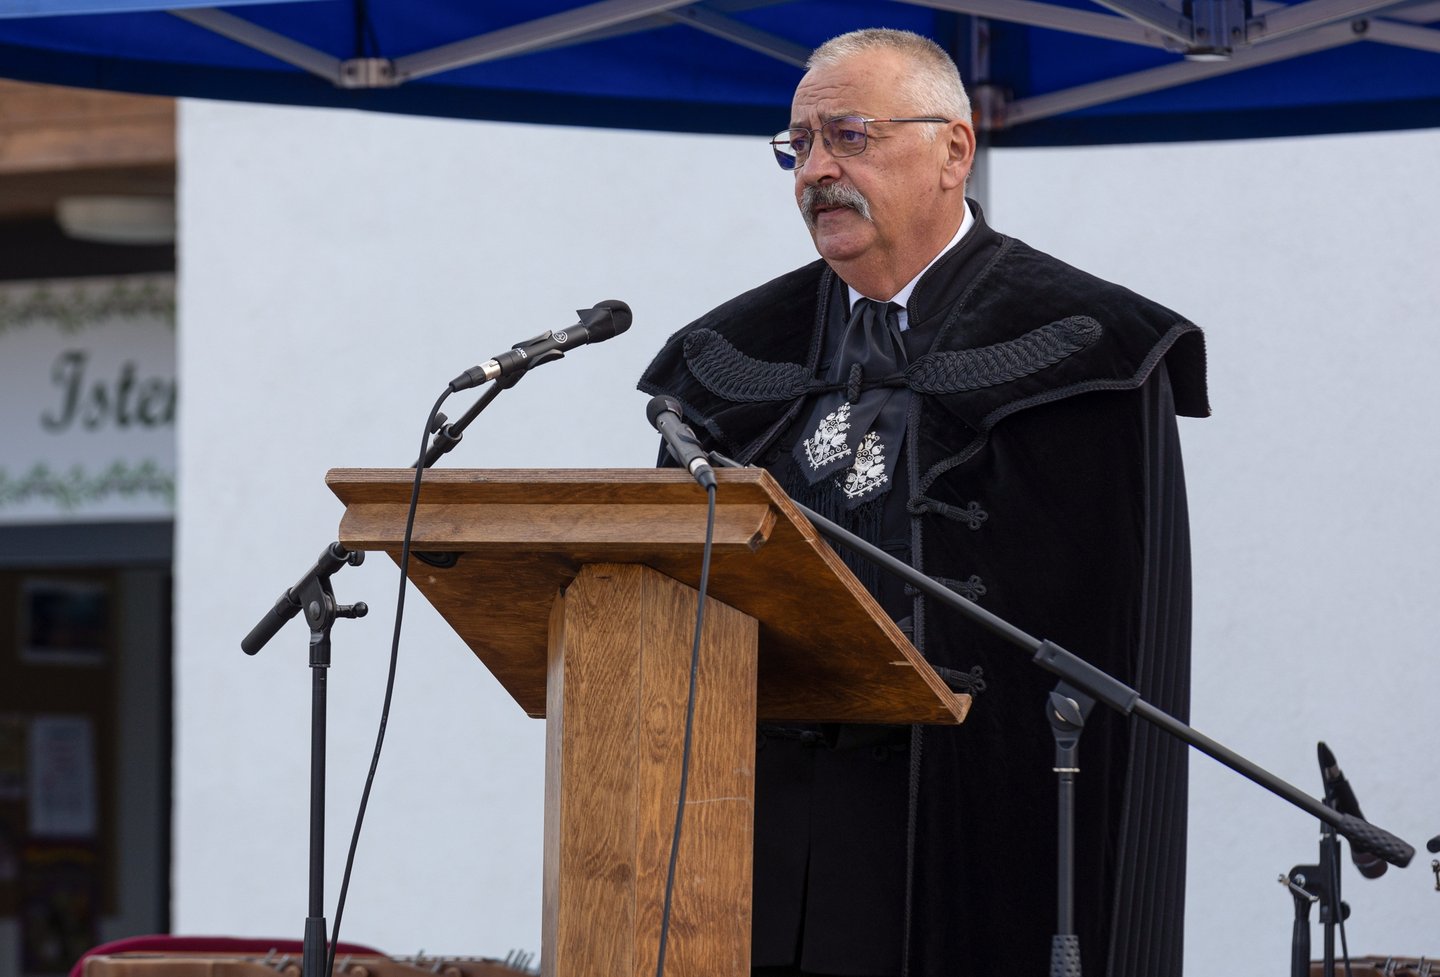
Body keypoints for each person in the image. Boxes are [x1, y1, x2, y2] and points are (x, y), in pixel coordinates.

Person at [638, 27, 1208, 977]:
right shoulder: (724, 360)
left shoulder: (1092, 351)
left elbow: (1125, 649)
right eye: (799, 144)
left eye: (849, 136)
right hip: (752, 841)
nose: (816, 171)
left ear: (954, 150)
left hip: (973, 839)